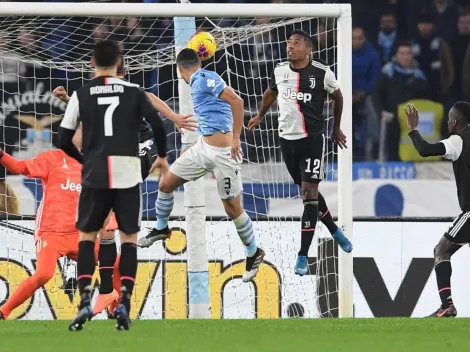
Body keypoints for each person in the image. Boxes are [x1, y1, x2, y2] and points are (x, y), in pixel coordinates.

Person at [52, 62, 196, 318]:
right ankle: (107, 291)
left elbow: (151, 98)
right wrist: (67, 100)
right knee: (106, 228)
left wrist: (173, 117)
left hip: (141, 146)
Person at [60, 39, 168, 331]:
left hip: (95, 172)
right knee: (128, 239)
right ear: (120, 63)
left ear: (92, 63)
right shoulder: (132, 91)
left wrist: (85, 160)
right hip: (127, 172)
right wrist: (162, 155)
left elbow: (62, 140)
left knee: (87, 236)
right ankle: (125, 302)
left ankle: (84, 300)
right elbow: (157, 124)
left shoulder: (81, 94)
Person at [139, 48, 264, 283]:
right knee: (165, 183)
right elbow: (216, 114)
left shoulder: (205, 79)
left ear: (180, 70)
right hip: (203, 147)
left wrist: (237, 137)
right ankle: (161, 227)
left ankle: (253, 252)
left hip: (225, 154)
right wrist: (198, 142)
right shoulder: (200, 82)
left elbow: (238, 101)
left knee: (232, 209)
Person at [247, 30, 352, 276]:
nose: (289, 47)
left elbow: (338, 96)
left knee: (309, 193)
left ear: (308, 49)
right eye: (288, 43)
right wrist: (261, 115)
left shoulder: (322, 72)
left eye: (295, 43)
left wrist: (335, 128)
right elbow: (271, 92)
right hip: (287, 141)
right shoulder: (280, 70)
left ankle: (302, 255)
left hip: (313, 140)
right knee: (307, 193)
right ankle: (334, 230)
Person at [0, 135, 120, 320]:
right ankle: (3, 311)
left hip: (80, 234)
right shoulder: (52, 158)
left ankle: (114, 309)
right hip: (51, 232)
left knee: (119, 262)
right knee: (44, 274)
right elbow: (18, 167)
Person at [406, 101, 470, 318]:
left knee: (442, 250)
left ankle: (447, 305)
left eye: (449, 120)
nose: (447, 123)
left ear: (454, 121)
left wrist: (413, 130)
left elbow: (425, 150)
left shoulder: (458, 141)